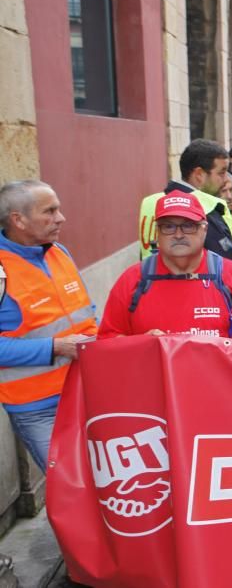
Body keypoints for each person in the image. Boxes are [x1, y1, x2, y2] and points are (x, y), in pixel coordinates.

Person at [0, 181, 97, 471]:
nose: (61, 218)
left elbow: (86, 315)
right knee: (69, 489)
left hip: (88, 389)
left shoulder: (59, 252)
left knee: (105, 483)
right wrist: (56, 348)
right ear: (19, 220)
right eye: (50, 211)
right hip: (39, 409)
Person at [99, 191, 232, 342]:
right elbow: (106, 340)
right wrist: (141, 344)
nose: (178, 234)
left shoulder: (231, 274)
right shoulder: (132, 280)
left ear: (204, 230)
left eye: (188, 226)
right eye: (169, 227)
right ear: (157, 233)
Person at [138, 139, 232, 319]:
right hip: (198, 309)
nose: (225, 180)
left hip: (154, 303)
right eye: (222, 172)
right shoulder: (204, 208)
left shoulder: (151, 202)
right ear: (199, 175)